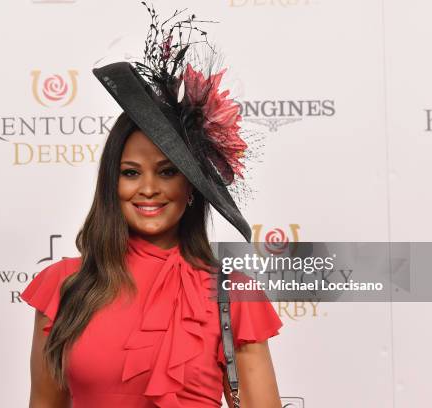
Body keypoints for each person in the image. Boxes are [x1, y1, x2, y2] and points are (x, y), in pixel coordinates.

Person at [21, 5, 283, 408]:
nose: (148, 189)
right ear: (112, 182)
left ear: (192, 185)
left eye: (166, 172)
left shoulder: (233, 294)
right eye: (130, 173)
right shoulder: (63, 286)